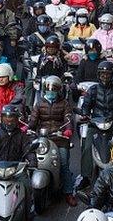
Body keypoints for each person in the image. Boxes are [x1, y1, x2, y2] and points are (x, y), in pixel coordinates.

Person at [0, 105, 36, 218]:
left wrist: (32, 160)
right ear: (2, 118)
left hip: (17, 170)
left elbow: (28, 150)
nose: (9, 121)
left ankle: (28, 215)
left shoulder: (22, 136)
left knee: (27, 187)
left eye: (12, 118)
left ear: (16, 119)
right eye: (6, 117)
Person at [28, 76, 77, 206]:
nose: (51, 91)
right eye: (48, 88)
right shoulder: (39, 104)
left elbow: (68, 119)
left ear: (59, 90)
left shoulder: (64, 103)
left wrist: (68, 130)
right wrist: (27, 128)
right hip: (43, 138)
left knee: (64, 164)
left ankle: (68, 192)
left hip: (60, 138)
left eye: (54, 89)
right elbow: (33, 121)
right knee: (31, 162)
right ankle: (30, 191)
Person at [80, 62, 113, 186]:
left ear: (112, 75)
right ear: (98, 75)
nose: (105, 77)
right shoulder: (93, 90)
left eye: (108, 74)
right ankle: (85, 177)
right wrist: (85, 114)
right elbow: (86, 106)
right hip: (95, 124)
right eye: (103, 74)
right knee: (86, 147)